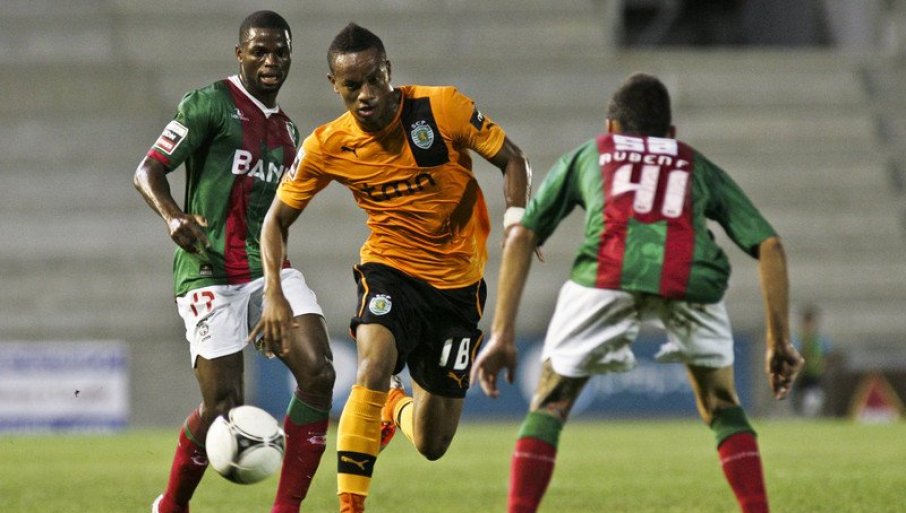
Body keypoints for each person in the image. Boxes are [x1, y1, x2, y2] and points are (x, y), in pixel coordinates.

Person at [471, 73, 804, 513]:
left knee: (550, 403)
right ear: (670, 134)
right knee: (723, 406)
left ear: (611, 127)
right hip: (691, 279)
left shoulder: (593, 153)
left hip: (607, 274)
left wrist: (501, 334)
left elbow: (521, 236)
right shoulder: (693, 162)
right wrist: (779, 340)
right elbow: (770, 245)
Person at [249, 22, 532, 513]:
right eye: (351, 85)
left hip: (458, 287)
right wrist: (273, 291)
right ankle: (350, 506)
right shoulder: (326, 145)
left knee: (431, 443)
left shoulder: (441, 108)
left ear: (388, 71)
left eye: (373, 80)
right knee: (373, 364)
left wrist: (517, 222)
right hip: (390, 269)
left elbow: (513, 160)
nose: (365, 94)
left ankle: (393, 406)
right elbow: (275, 221)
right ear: (334, 85)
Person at [133, 11, 335, 513]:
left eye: (280, 52)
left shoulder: (288, 131)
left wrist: (275, 290)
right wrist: (173, 217)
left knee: (319, 373)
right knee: (223, 406)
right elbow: (148, 170)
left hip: (267, 270)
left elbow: (276, 220)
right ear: (239, 53)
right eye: (259, 51)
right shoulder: (209, 103)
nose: (270, 61)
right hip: (208, 272)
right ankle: (171, 505)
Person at [792, 304, 831, 416]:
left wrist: (824, 366)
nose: (808, 325)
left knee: (813, 396)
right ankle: (801, 414)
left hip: (815, 372)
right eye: (806, 322)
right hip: (801, 373)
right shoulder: (798, 338)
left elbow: (826, 355)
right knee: (800, 397)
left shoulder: (820, 339)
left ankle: (811, 414)